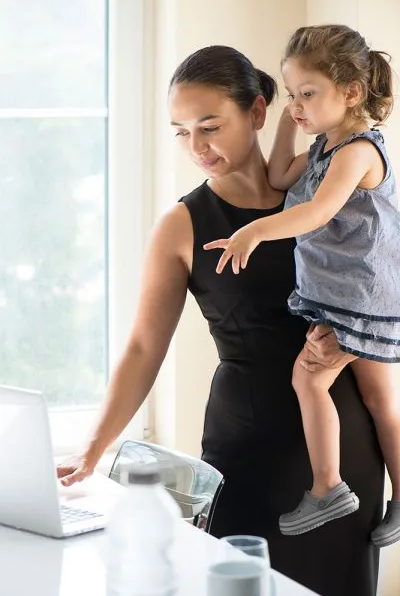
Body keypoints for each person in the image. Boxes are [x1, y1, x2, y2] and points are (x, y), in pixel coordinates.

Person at [57, 45, 384, 596]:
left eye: (210, 126)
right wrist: (93, 449)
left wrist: (355, 343)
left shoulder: (330, 192)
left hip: (343, 449)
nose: (197, 146)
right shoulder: (181, 225)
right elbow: (143, 348)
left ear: (258, 113)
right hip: (245, 449)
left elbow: (384, 285)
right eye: (181, 132)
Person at [204, 26, 399, 548]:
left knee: (309, 380)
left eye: (307, 94)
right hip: (357, 295)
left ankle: (327, 484)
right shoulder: (325, 147)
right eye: (292, 95)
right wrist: (291, 121)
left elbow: (317, 211)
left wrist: (252, 231)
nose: (297, 105)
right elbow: (276, 179)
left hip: (356, 299)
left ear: (352, 93)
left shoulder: (357, 152)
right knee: (383, 400)